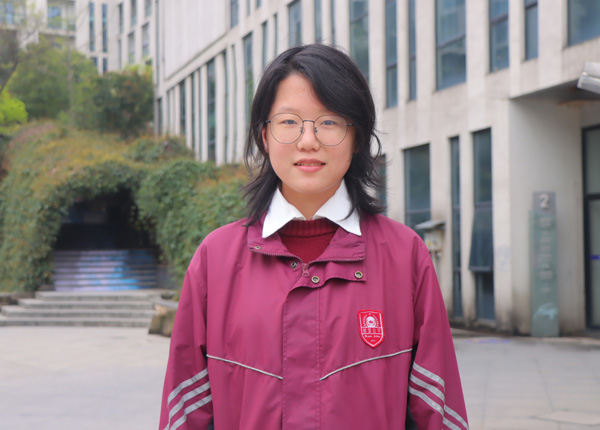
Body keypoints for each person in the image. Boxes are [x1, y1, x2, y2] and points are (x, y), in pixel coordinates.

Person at [159, 44, 469, 430]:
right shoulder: (216, 259)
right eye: (289, 122)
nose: (308, 141)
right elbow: (186, 410)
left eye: (329, 121)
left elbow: (438, 410)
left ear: (357, 137)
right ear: (264, 136)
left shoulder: (405, 256)